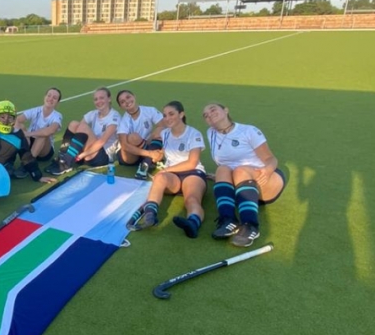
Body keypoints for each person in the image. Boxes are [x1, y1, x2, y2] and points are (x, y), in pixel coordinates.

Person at [202, 103, 286, 247]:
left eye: (213, 110)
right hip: (240, 183)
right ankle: (228, 220)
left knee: (240, 171)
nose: (209, 115)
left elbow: (271, 159)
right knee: (221, 169)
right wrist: (223, 179)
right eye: (205, 115)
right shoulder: (211, 133)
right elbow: (227, 163)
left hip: (263, 178)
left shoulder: (248, 131)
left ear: (226, 110)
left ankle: (251, 226)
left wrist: (267, 171)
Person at [127, 101, 207, 239]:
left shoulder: (194, 134)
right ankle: (150, 215)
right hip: (173, 176)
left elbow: (192, 163)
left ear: (181, 114)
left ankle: (193, 223)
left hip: (192, 173)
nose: (167, 118)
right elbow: (165, 151)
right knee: (159, 178)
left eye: (171, 114)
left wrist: (166, 170)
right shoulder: (165, 133)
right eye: (164, 115)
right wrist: (157, 154)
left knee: (191, 199)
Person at [46, 87, 121, 175]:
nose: (98, 101)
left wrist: (82, 155)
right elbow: (78, 129)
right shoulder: (94, 113)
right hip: (88, 153)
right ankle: (62, 157)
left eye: (101, 98)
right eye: (96, 99)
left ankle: (66, 163)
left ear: (109, 99)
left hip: (102, 157)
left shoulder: (114, 117)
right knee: (74, 124)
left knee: (83, 127)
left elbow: (101, 142)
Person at [115, 89, 166, 179]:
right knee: (133, 137)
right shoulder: (124, 121)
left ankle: (145, 165)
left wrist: (162, 151)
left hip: (145, 145)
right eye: (122, 102)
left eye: (128, 97)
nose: (127, 102)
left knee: (161, 129)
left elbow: (164, 126)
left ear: (134, 96)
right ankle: (151, 158)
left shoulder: (149, 110)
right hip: (129, 156)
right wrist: (150, 153)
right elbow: (125, 146)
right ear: (121, 107)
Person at [12, 87, 63, 176]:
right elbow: (18, 120)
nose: (51, 99)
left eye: (54, 98)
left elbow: (50, 130)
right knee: (20, 126)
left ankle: (26, 165)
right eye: (49, 95)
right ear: (44, 97)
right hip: (31, 142)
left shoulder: (57, 116)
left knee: (43, 135)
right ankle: (12, 155)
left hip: (45, 151)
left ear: (57, 103)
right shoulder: (36, 110)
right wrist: (22, 134)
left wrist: (28, 134)